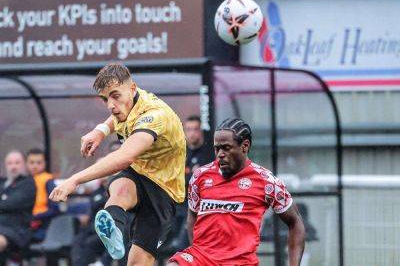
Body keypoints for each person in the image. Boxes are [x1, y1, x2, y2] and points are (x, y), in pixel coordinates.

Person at [50, 63, 186, 266]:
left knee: (137, 262)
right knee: (120, 188)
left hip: (164, 189)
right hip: (138, 173)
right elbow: (117, 117)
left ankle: (114, 226)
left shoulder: (155, 116)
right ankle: (112, 225)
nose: (110, 105)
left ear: (132, 88)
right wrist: (100, 130)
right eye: (105, 99)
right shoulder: (129, 101)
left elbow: (124, 157)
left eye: (115, 96)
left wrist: (74, 179)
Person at [168, 118, 306, 266]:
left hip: (239, 261)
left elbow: (295, 222)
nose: (220, 154)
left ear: (245, 146)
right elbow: (192, 217)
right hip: (202, 257)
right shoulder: (200, 176)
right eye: (217, 148)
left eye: (226, 148)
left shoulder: (267, 181)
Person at [162, 116, 214, 254]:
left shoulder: (210, 154)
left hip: (199, 209)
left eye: (195, 129)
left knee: (182, 245)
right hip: (177, 206)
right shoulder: (180, 153)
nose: (192, 133)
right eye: (189, 129)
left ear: (201, 131)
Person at [0, 150, 36, 264]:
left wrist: (4, 200)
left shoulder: (28, 184)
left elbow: (9, 204)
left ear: (24, 165)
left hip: (16, 231)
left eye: (17, 163)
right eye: (10, 163)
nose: (13, 166)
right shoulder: (3, 183)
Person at [70, 178, 112, 266]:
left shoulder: (116, 190)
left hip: (109, 228)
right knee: (77, 241)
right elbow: (93, 208)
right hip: (92, 227)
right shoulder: (96, 192)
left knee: (91, 242)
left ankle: (102, 263)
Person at [26, 148, 59, 242]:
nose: (35, 166)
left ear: (44, 163)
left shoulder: (48, 181)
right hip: (26, 223)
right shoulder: (24, 182)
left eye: (38, 162)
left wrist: (35, 217)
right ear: (26, 164)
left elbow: (55, 208)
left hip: (43, 225)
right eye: (32, 162)